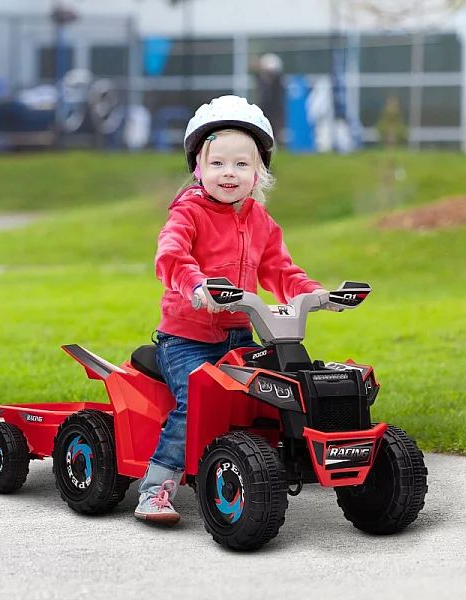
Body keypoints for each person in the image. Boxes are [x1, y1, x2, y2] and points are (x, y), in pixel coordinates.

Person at [134, 95, 333, 525]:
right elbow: (170, 256)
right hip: (186, 338)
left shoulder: (260, 220)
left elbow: (279, 269)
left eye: (242, 165)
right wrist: (195, 284)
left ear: (259, 172)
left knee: (269, 396)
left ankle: (268, 467)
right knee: (194, 404)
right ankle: (156, 487)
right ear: (198, 169)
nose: (230, 173)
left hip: (240, 334)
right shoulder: (188, 212)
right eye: (218, 163)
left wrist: (313, 293)